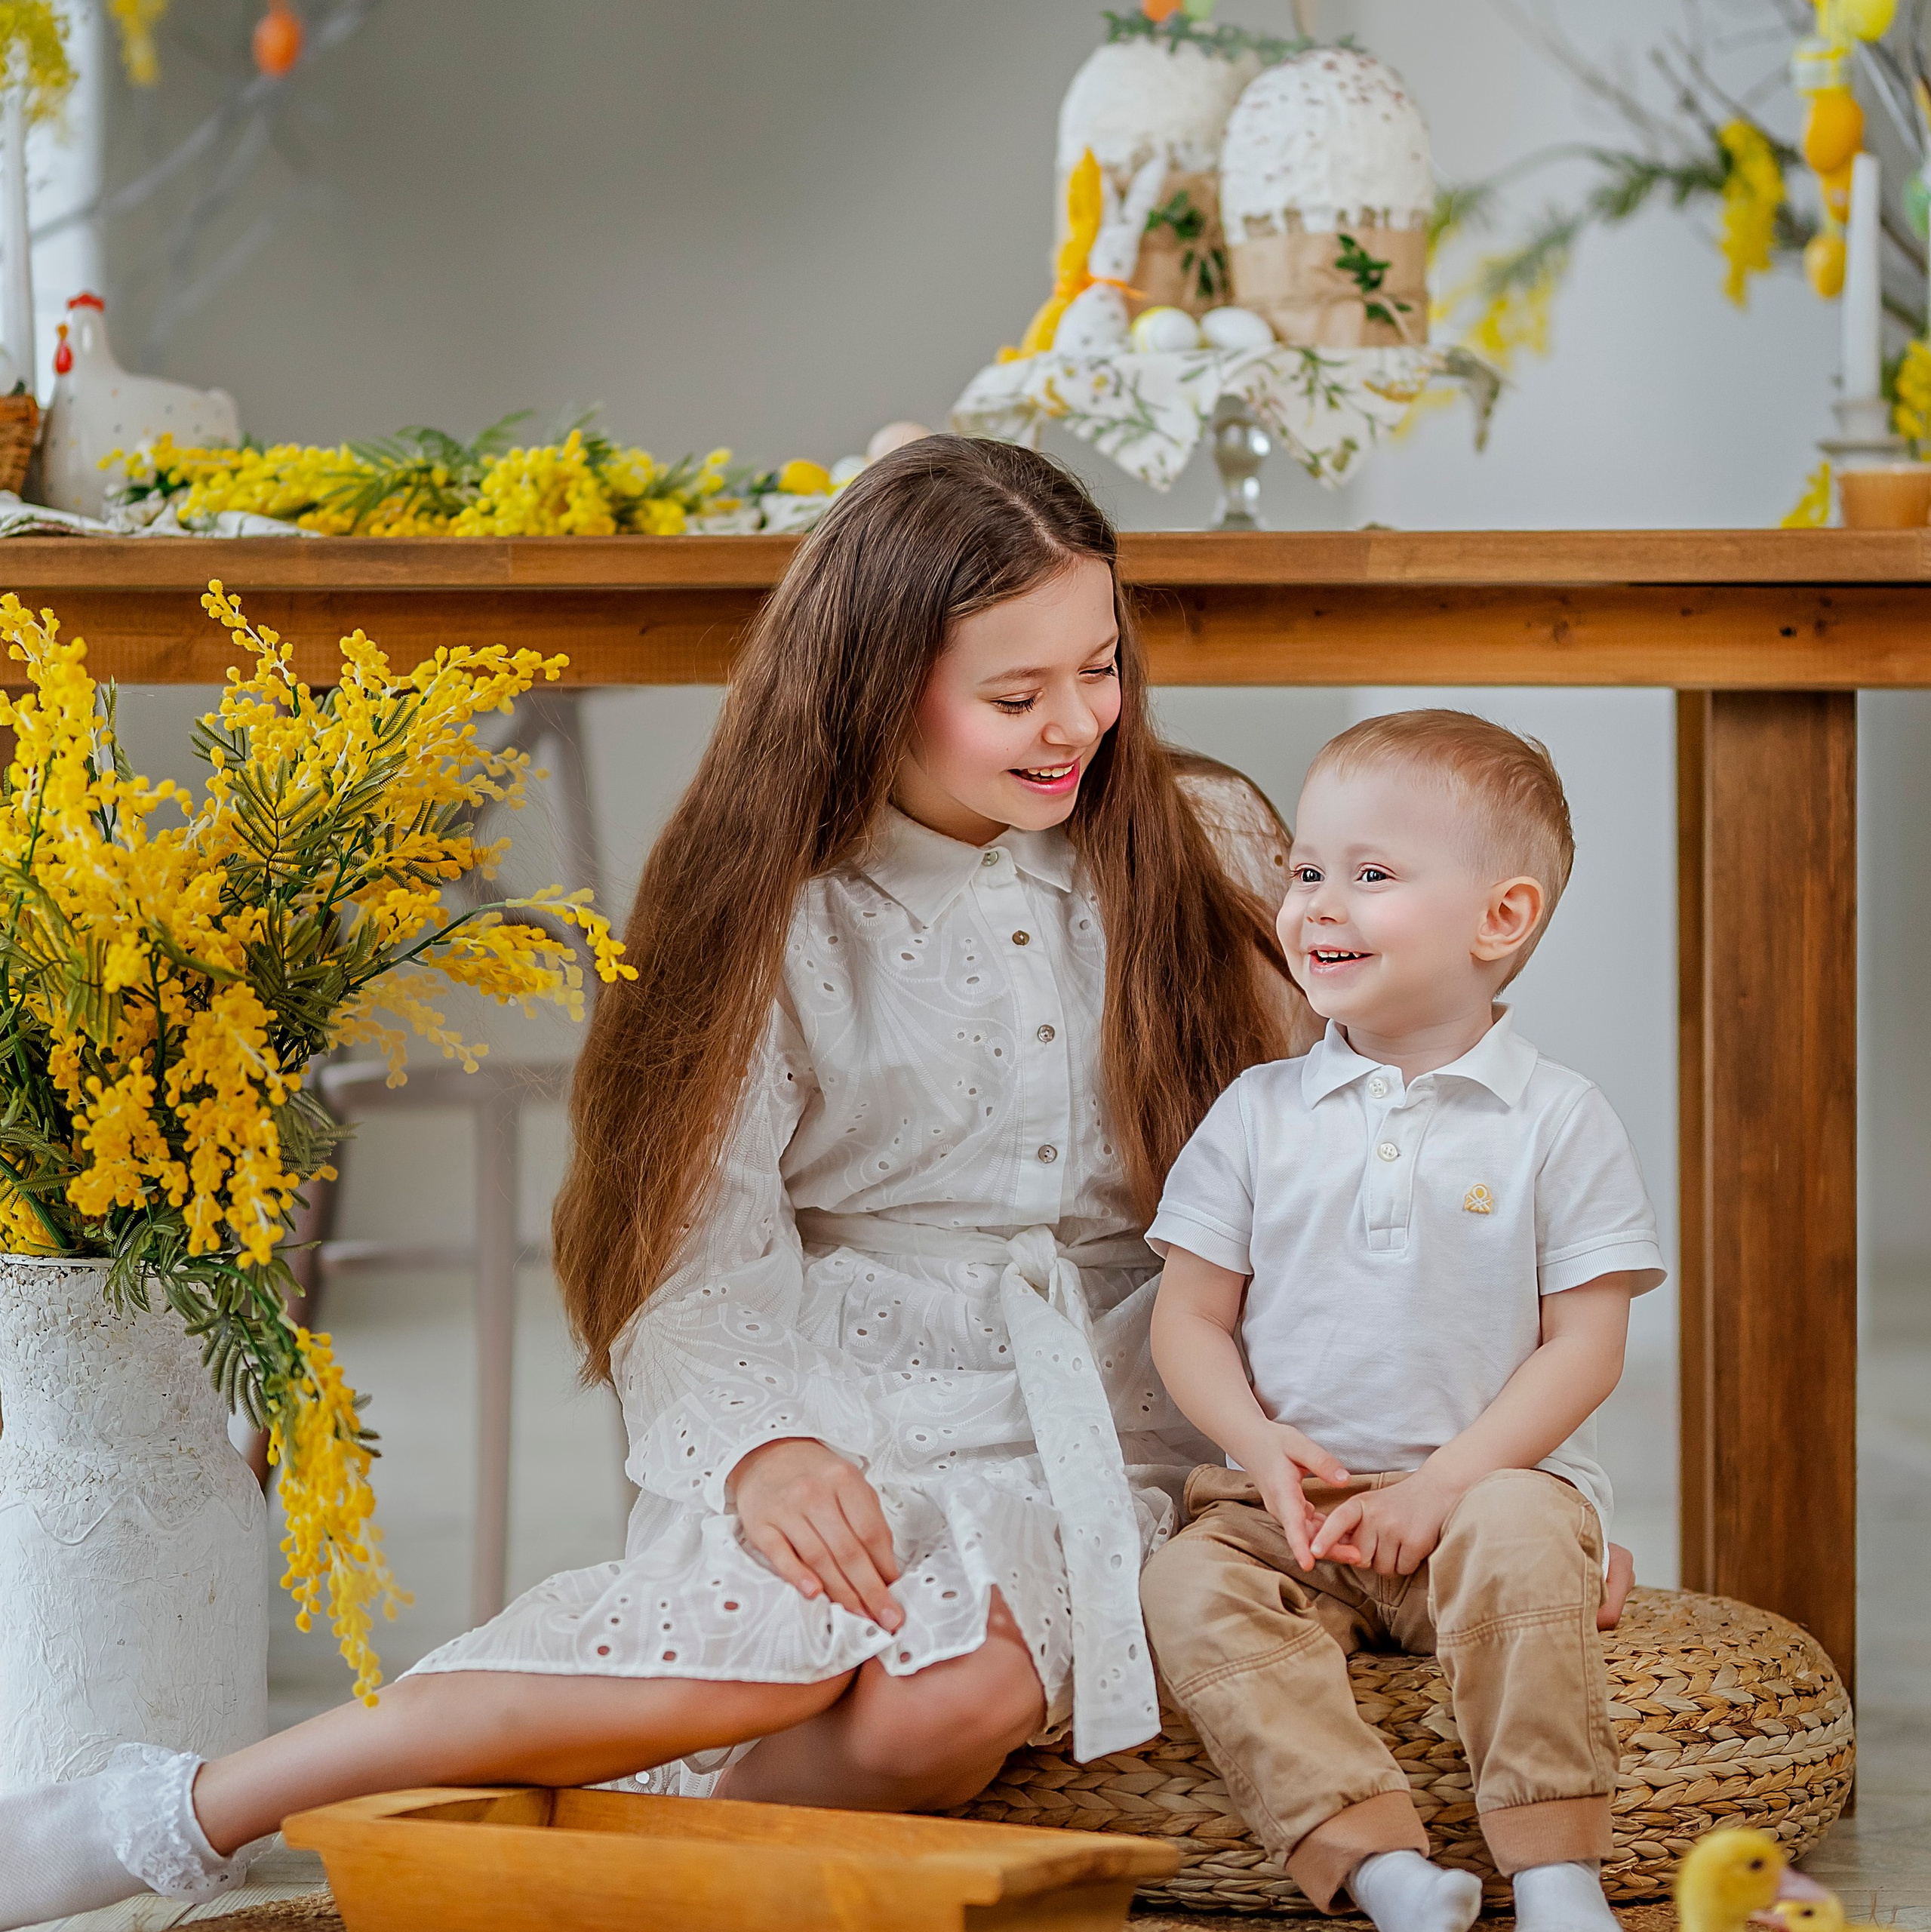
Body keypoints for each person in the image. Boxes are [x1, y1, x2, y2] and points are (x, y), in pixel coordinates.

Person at [0, 437, 1311, 1928]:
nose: (1074, 722)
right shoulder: (784, 917)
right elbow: (693, 1244)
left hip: (1111, 1399)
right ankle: (179, 1805)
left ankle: (589, 1883)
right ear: (874, 690)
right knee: (755, 1645)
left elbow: (1349, 1142)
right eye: (1014, 697)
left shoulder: (1203, 844)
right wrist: (764, 1447)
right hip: (854, 1378)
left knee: (937, 1706)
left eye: (1099, 667)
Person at [1139, 712, 1662, 1932]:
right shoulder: (1259, 1115)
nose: (1320, 902)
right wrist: (1260, 1450)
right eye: (1307, 870)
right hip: (1298, 1513)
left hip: (1484, 1491)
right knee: (1183, 1588)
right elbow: (1190, 1324)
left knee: (1529, 1532)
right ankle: (1379, 1864)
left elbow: (1584, 1347)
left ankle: (1553, 1873)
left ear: (1502, 919)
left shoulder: (1557, 1120)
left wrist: (1445, 1487)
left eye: (1371, 876)